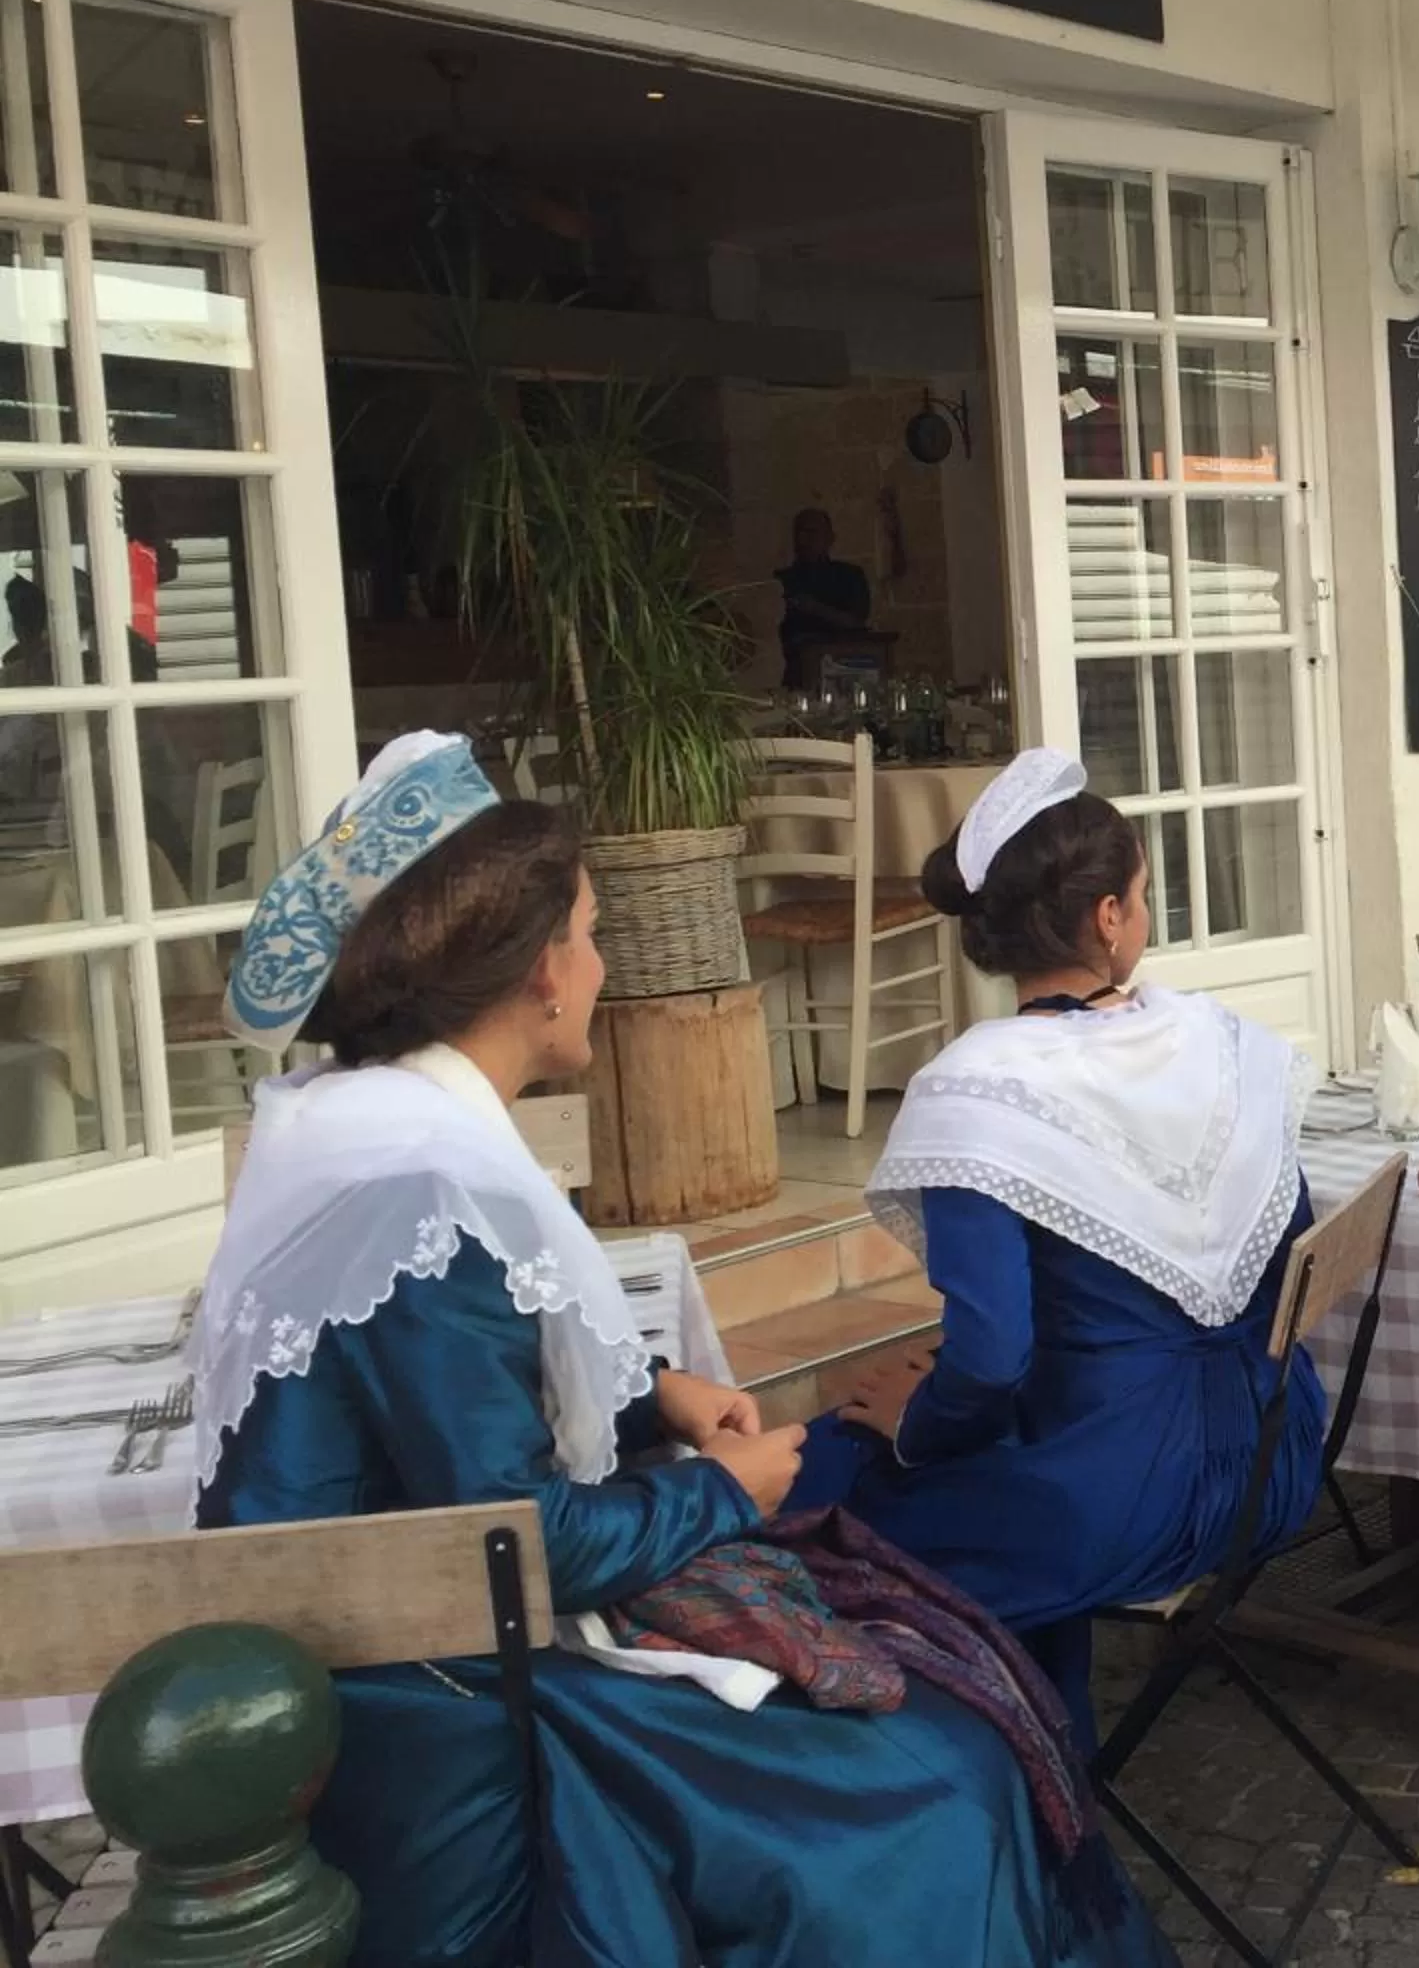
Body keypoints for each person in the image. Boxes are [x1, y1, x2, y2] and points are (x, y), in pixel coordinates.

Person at [196, 732, 1168, 1968]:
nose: (605, 969)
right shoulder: (420, 1192)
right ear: (541, 973)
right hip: (434, 1701)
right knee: (936, 1787)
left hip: (416, 1640)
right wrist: (724, 1492)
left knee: (938, 1684)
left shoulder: (366, 1124)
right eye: (594, 937)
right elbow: (516, 1539)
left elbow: (441, 1384)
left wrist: (653, 1394)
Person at [783, 749, 1326, 1748]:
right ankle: (1049, 1742)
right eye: (1144, 896)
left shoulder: (976, 1092)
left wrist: (920, 1427)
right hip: (1277, 1458)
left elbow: (991, 1361)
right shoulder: (1222, 1045)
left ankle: (1013, 1787)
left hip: (1116, 1498)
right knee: (989, 1452)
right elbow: (1292, 1260)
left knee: (816, 1485)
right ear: (1109, 920)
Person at [775, 505, 874, 687]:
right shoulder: (781, 581)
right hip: (796, 672)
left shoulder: (849, 576)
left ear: (829, 538)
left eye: (811, 533)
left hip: (845, 666)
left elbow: (856, 621)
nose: (803, 540)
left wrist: (814, 608)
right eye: (799, 533)